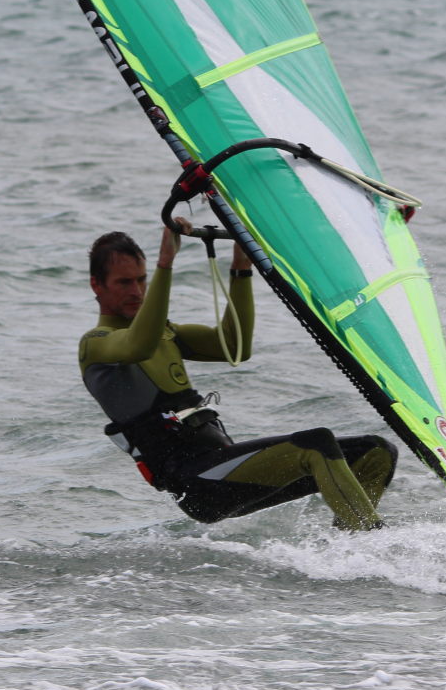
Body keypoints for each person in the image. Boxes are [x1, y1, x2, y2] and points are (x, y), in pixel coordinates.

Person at [79, 221, 397, 530]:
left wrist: (240, 267)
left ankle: (351, 547)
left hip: (225, 467)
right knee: (316, 445)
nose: (136, 291)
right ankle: (375, 540)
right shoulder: (96, 344)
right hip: (197, 484)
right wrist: (166, 264)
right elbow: (139, 344)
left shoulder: (166, 333)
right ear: (96, 285)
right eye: (124, 282)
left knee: (376, 452)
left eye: (142, 280)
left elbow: (236, 345)